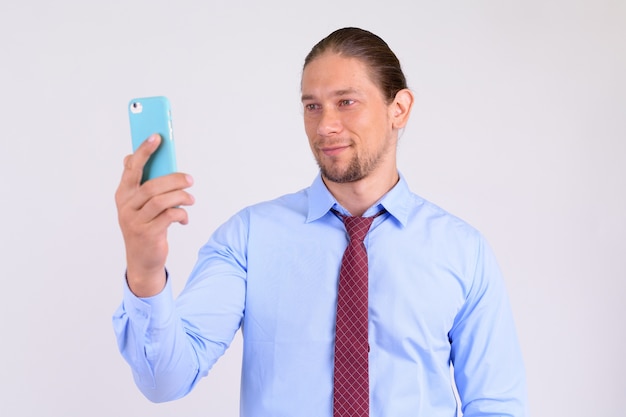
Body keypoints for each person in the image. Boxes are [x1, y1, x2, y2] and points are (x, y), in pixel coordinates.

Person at [113, 27, 528, 416]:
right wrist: (146, 270)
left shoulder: (462, 250)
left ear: (398, 109)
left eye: (346, 101)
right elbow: (165, 381)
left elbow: (495, 405)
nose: (325, 126)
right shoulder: (249, 237)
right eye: (313, 106)